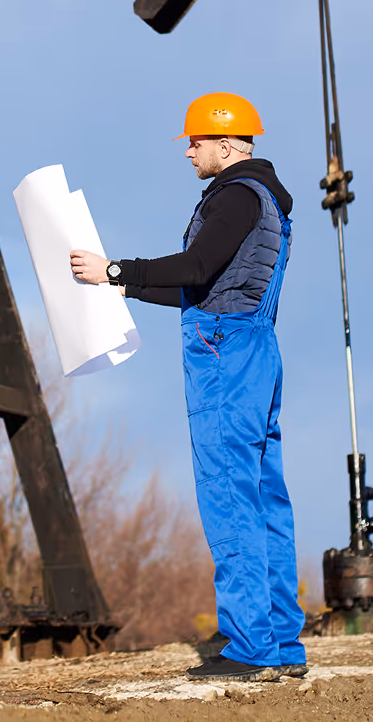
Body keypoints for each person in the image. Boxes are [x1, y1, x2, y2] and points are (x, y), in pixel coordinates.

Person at [69, 92, 306, 682]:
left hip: (222, 352)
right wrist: (124, 288)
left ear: (227, 143)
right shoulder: (269, 199)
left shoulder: (233, 198)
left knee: (228, 496)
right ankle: (280, 644)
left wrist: (117, 269)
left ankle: (251, 647)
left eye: (195, 142)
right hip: (256, 348)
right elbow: (203, 285)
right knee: (264, 497)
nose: (189, 153)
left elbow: (195, 268)